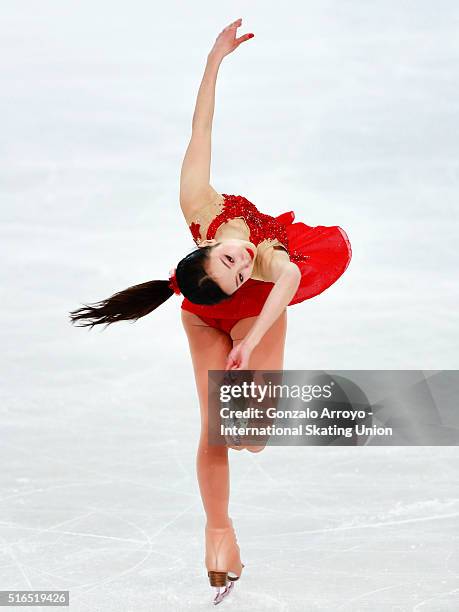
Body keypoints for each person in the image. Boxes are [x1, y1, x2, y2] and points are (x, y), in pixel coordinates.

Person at [69, 18, 352, 605]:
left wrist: (214, 59)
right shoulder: (224, 272)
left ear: (207, 244)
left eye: (234, 260)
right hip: (205, 319)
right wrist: (228, 335)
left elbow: (202, 128)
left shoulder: (210, 212)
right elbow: (271, 271)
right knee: (215, 428)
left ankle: (248, 425)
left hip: (258, 316)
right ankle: (218, 533)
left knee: (252, 438)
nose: (244, 258)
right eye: (236, 269)